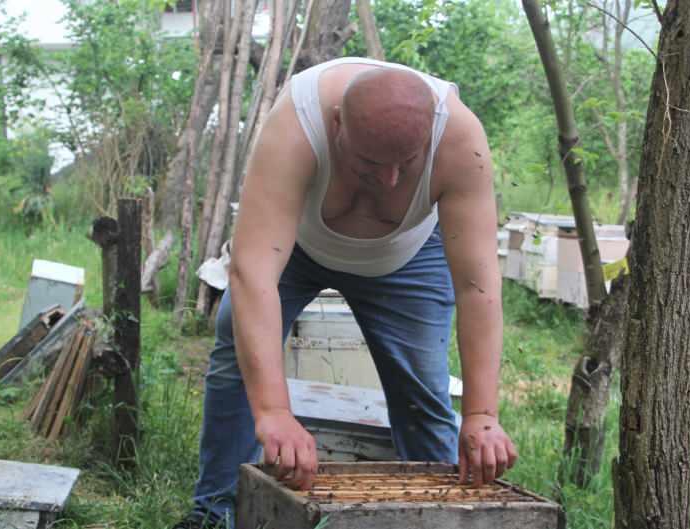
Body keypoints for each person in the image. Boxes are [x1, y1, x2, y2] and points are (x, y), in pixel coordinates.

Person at [173, 57, 517, 529]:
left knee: (422, 390)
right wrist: (273, 411)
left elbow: (478, 288)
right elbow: (253, 272)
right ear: (337, 125)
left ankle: (444, 518)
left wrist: (481, 414)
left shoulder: (459, 137)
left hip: (409, 257)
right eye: (372, 163)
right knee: (237, 351)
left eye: (408, 163)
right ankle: (214, 513)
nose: (391, 180)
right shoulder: (297, 123)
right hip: (295, 246)